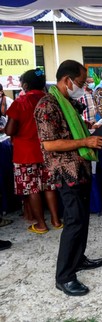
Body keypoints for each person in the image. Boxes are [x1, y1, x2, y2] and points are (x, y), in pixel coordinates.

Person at [34, 60, 102, 296]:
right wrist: (85, 141)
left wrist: (89, 128)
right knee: (74, 221)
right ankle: (64, 276)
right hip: (66, 172)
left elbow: (71, 127)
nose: (83, 87)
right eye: (81, 82)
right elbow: (49, 143)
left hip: (81, 169)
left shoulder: (65, 103)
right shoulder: (47, 105)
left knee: (82, 219)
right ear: (67, 81)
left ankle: (78, 258)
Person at [5, 68, 62, 234]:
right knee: (50, 186)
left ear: (25, 85)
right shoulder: (51, 100)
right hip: (48, 150)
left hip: (25, 153)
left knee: (33, 189)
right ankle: (56, 220)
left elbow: (9, 130)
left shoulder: (20, 102)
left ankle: (41, 225)